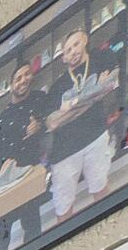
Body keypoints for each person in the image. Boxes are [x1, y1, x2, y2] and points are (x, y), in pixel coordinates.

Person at [39, 20, 119, 228]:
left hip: (95, 136)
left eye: (75, 44)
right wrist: (94, 93)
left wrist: (70, 109)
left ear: (84, 40)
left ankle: (109, 228)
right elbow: (52, 122)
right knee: (63, 206)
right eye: (67, 50)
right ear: (63, 58)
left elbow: (113, 82)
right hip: (64, 151)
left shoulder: (101, 58)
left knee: (100, 188)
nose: (73, 51)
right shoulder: (57, 87)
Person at [0, 59, 47, 250]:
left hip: (27, 178)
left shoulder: (39, 100)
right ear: (11, 85)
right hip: (2, 185)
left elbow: (51, 121)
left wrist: (39, 126)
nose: (23, 80)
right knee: (0, 247)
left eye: (27, 75)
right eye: (18, 77)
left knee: (33, 233)